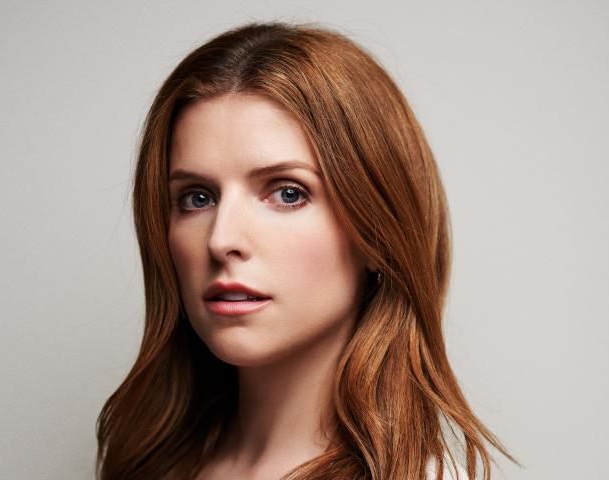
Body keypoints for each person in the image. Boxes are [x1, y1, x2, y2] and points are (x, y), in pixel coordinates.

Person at [96, 21, 517, 480]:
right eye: (198, 198)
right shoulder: (153, 466)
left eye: (287, 193)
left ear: (377, 233)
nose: (221, 239)